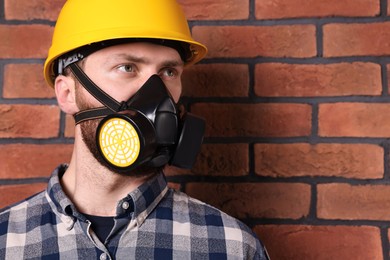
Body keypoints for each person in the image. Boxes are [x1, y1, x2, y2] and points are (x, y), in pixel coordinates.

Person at [0, 0, 270, 259]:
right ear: (68, 93)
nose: (156, 92)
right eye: (127, 67)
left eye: (168, 72)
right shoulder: (5, 242)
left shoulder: (231, 247)